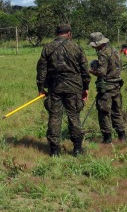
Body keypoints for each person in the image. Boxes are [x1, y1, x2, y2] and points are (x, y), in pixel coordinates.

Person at [36, 24, 91, 156]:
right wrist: (86, 87)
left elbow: (41, 70)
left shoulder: (48, 48)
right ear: (69, 34)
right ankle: (77, 148)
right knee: (74, 116)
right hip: (74, 87)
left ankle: (54, 150)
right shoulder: (76, 47)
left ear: (57, 34)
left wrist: (41, 88)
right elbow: (84, 69)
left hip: (55, 87)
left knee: (55, 117)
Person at [89, 32, 126, 144]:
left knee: (104, 112)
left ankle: (107, 139)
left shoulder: (103, 54)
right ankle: (122, 137)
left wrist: (90, 70)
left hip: (107, 88)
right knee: (117, 111)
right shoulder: (114, 50)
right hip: (116, 86)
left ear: (97, 44)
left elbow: (101, 72)